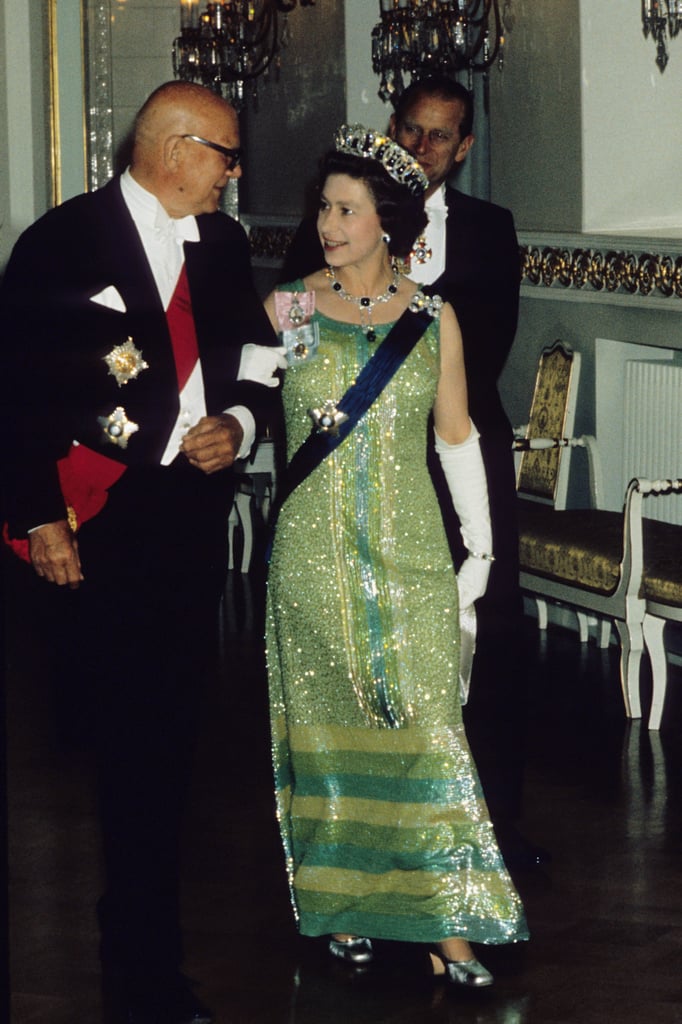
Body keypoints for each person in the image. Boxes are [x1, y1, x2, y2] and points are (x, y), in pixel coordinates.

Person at [1, 81, 283, 1024]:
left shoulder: (227, 244)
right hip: (98, 522)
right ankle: (140, 961)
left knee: (170, 741)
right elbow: (16, 390)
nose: (233, 173)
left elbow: (254, 360)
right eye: (224, 155)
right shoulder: (61, 243)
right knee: (123, 740)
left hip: (188, 517)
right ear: (171, 150)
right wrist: (39, 515)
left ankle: (144, 951)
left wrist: (240, 425)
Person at [264, 125, 528, 989]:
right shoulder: (294, 309)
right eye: (324, 207)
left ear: (387, 222)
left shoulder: (433, 315)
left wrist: (480, 548)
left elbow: (457, 437)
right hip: (313, 552)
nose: (328, 223)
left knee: (426, 727)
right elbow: (280, 422)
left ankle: (449, 922)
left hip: (411, 550)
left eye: (346, 209)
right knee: (333, 743)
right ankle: (343, 909)